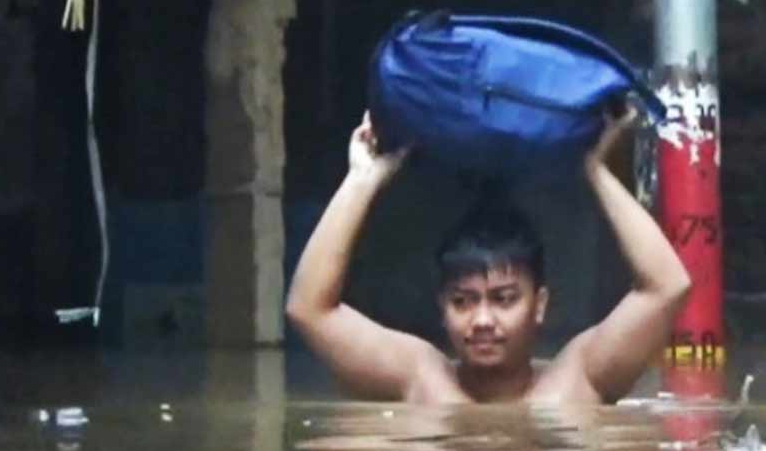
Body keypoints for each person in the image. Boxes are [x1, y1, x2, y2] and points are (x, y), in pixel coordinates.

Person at [285, 107, 691, 404]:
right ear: (441, 307)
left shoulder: (578, 380)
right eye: (462, 301)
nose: (482, 321)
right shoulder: (420, 379)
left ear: (540, 304)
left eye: (504, 299)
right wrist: (362, 178)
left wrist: (594, 169)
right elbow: (309, 309)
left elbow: (668, 286)